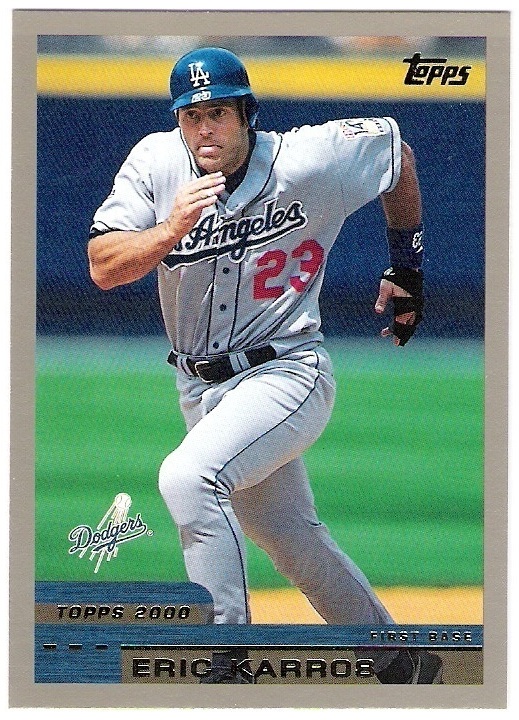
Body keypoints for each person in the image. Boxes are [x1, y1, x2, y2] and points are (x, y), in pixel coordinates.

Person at [88, 47, 441, 684]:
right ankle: (399, 660)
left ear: (246, 114)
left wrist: (406, 269)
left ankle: (226, 663)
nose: (204, 129)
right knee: (291, 537)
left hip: (288, 371)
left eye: (218, 113)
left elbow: (396, 153)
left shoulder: (306, 158)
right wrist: (170, 229)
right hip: (200, 388)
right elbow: (104, 266)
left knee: (189, 478)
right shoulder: (156, 162)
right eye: (192, 116)